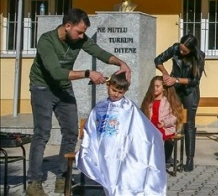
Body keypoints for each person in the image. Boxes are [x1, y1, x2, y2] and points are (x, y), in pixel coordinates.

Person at [26, 8, 131, 196]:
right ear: (68, 26)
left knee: (71, 132)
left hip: (63, 88)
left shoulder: (79, 39)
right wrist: (88, 73)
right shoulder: (46, 41)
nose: (82, 36)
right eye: (80, 31)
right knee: (42, 133)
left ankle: (62, 177)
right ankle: (34, 182)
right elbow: (56, 72)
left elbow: (98, 51)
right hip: (42, 87)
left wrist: (121, 63)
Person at [76, 73, 166, 196]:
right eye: (114, 90)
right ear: (108, 85)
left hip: (121, 150)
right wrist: (89, 145)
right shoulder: (100, 107)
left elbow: (140, 127)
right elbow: (91, 127)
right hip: (104, 149)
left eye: (120, 92)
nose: (116, 94)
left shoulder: (129, 107)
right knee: (107, 178)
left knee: (119, 178)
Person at [154, 34, 205, 172]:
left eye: (185, 51)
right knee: (169, 122)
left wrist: (175, 80)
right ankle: (166, 157)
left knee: (189, 124)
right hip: (175, 91)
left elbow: (195, 80)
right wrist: (165, 73)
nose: (181, 52)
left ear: (192, 50)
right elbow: (158, 59)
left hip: (190, 93)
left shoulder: (199, 56)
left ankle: (189, 160)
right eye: (181, 49)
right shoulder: (175, 48)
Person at [141, 76, 184, 168]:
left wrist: (165, 123)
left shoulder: (168, 101)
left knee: (163, 136)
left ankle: (165, 158)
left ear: (163, 88)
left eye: (157, 86)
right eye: (153, 86)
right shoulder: (149, 101)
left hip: (164, 127)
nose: (155, 88)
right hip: (151, 127)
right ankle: (149, 158)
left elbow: (175, 116)